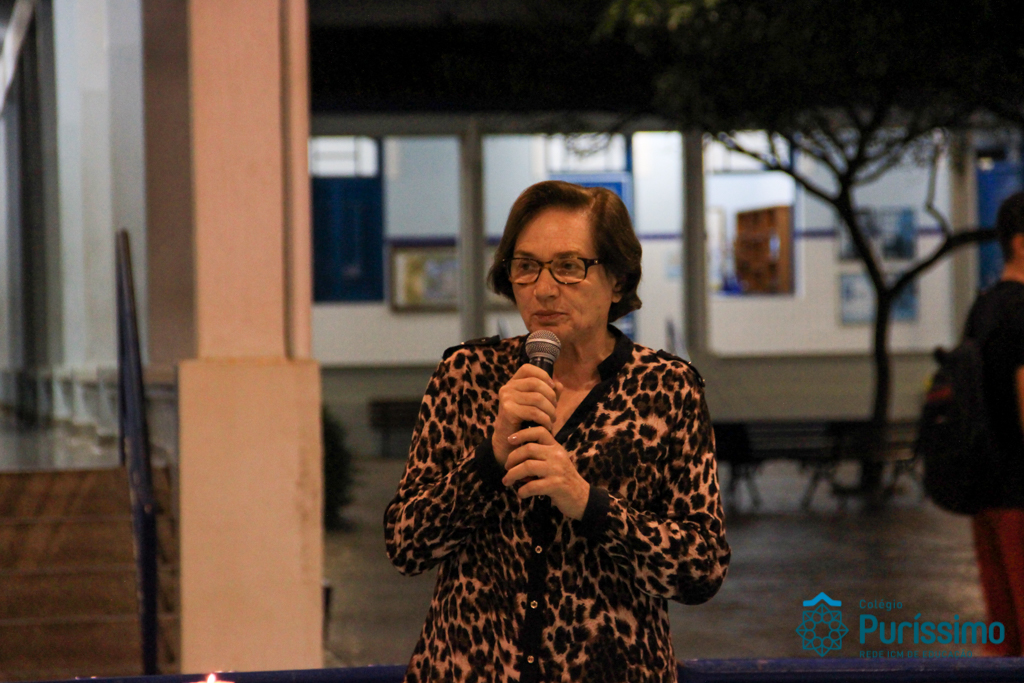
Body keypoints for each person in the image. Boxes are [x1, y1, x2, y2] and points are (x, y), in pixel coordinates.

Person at [384, 180, 730, 682]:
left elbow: (701, 569)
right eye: (526, 266)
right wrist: (490, 457)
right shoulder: (466, 375)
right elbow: (405, 545)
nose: (543, 289)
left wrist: (589, 504)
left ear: (617, 280)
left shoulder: (668, 388)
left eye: (569, 266)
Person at [965, 190, 1024, 656]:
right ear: (1021, 244)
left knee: (1002, 635)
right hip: (1020, 496)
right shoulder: (1022, 310)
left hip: (985, 491)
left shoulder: (982, 308)